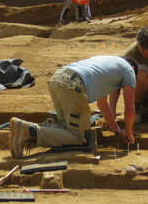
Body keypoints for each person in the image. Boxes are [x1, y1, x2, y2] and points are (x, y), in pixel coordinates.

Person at [9, 55, 137, 158]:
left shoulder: (109, 65)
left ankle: (26, 131)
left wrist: (117, 130)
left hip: (58, 79)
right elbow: (130, 110)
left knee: (67, 130)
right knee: (80, 137)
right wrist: (129, 133)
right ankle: (29, 130)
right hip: (73, 86)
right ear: (132, 67)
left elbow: (102, 103)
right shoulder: (129, 70)